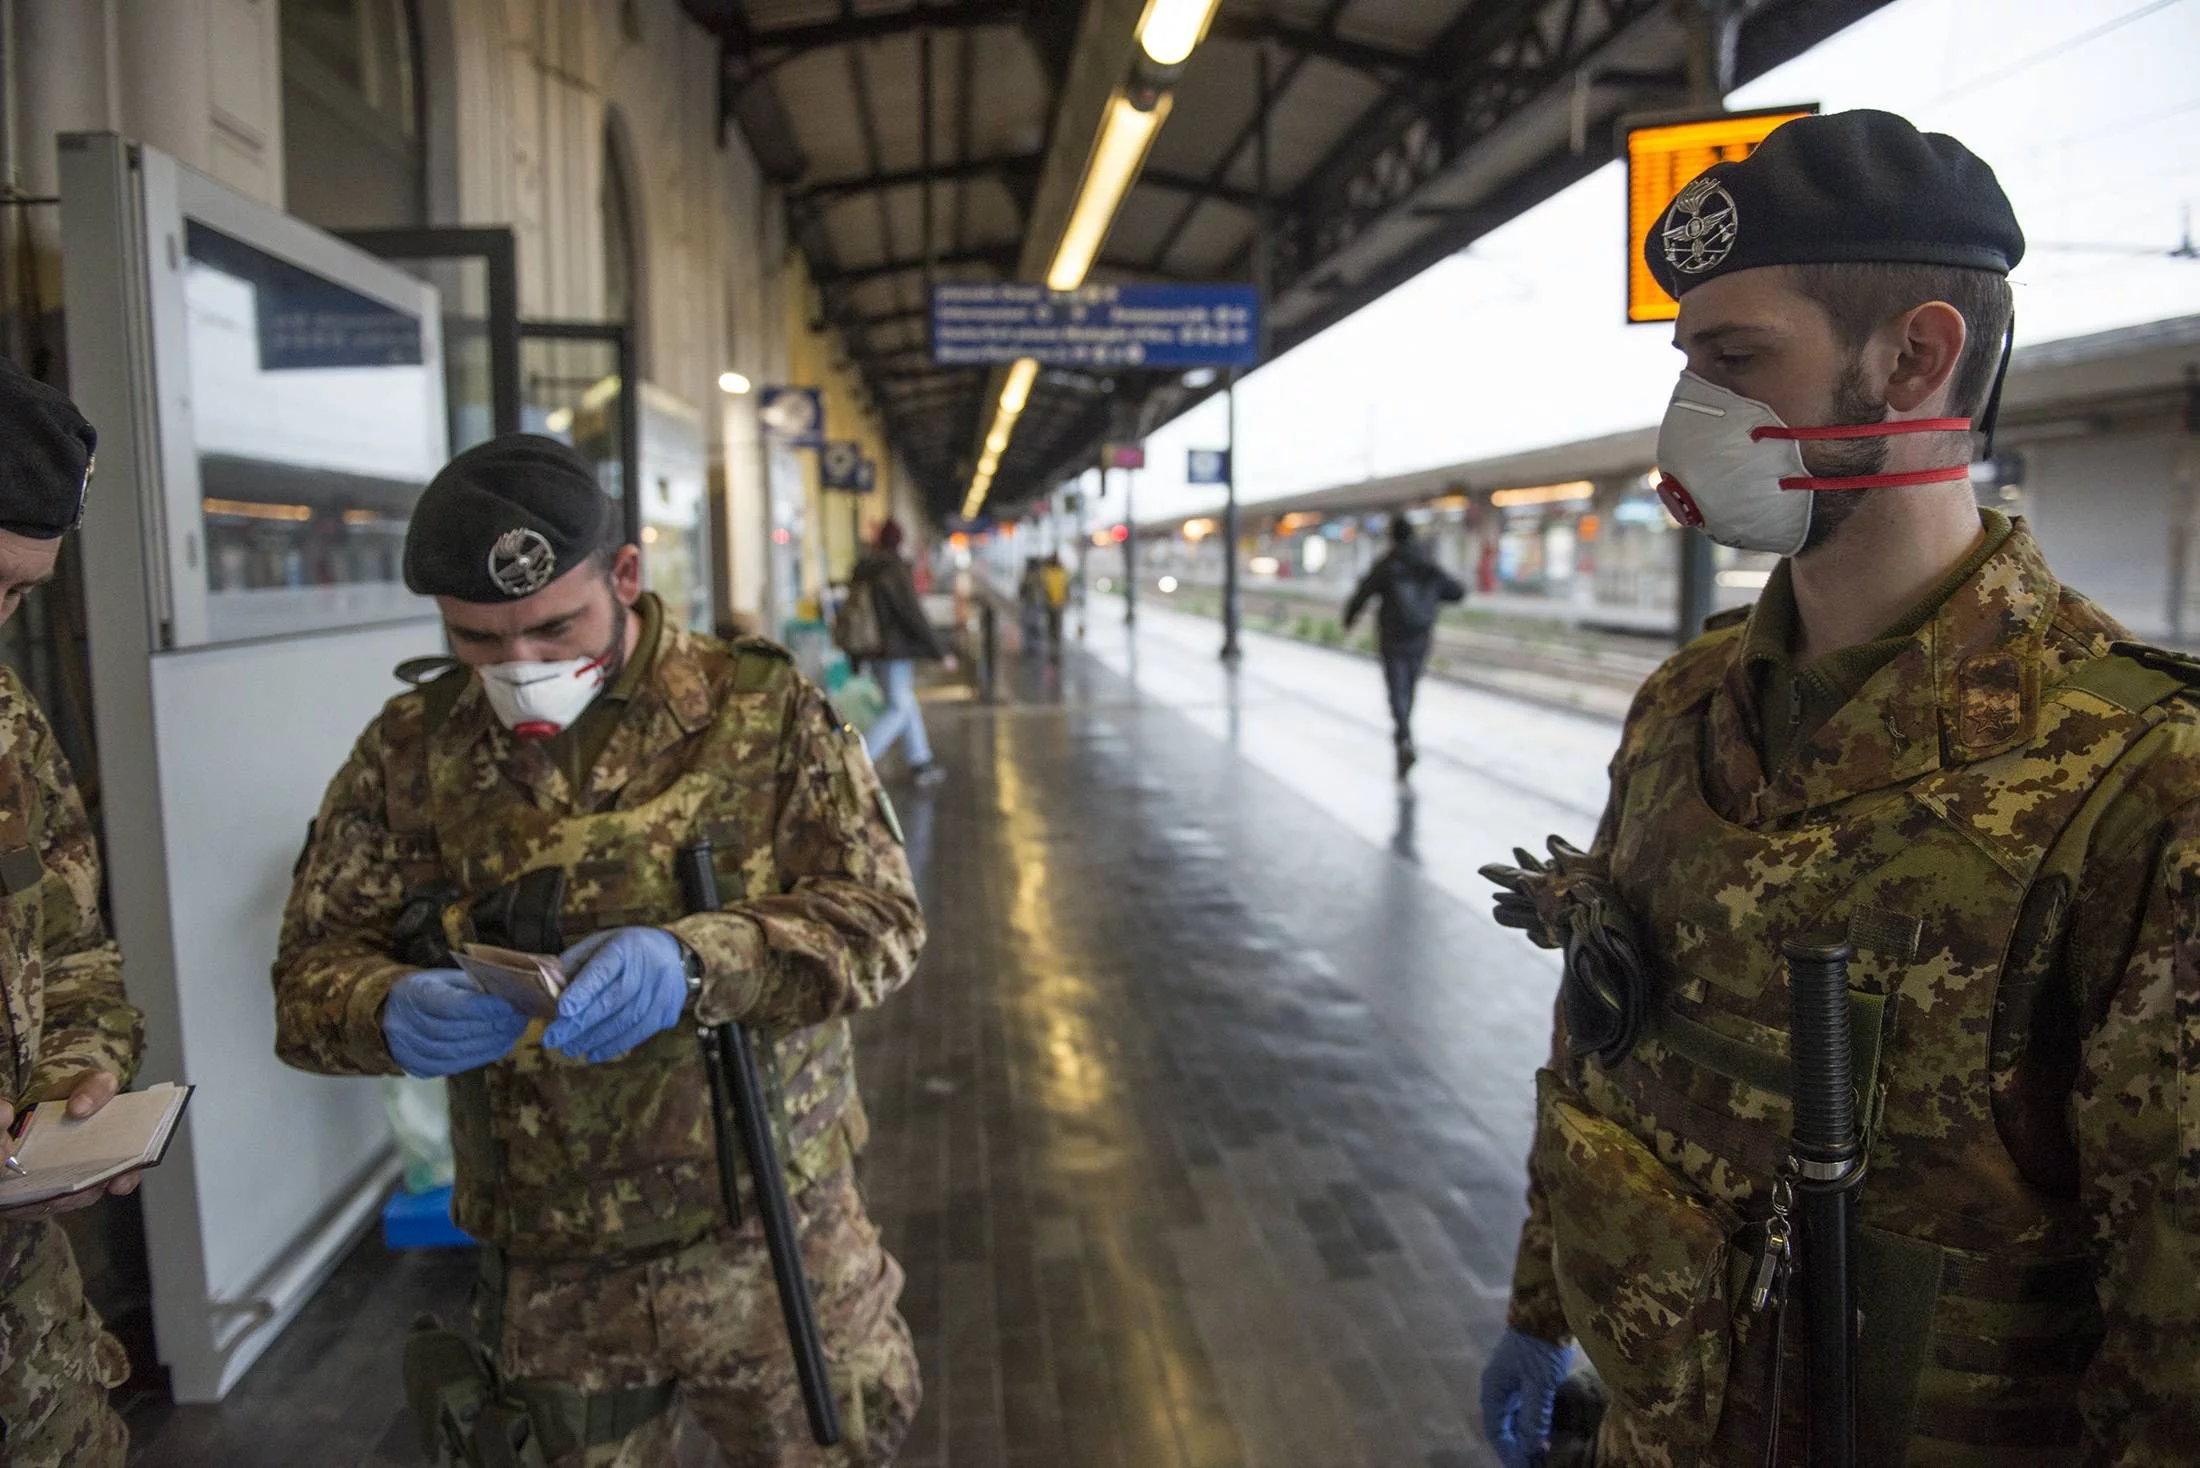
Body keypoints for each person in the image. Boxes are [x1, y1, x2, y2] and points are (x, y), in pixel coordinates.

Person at [1478, 111, 2200, 1466]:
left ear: (1918, 357)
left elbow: (2175, 1349)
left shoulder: (2144, 788)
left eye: (1739, 361)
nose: (1692, 417)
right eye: (1691, 364)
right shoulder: (1684, 706)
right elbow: (1601, 1035)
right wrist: (1541, 1305)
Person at [272, 435, 923, 1466]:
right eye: (478, 641)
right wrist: (384, 1007)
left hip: (770, 1238)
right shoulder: (409, 752)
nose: (520, 666)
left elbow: (883, 919)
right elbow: (309, 978)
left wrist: (704, 961)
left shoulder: (758, 712)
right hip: (552, 1273)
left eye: (553, 626)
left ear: (625, 575)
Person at [0, 359, 147, 1467]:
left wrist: (78, 1081)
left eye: (13, 594)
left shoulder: (7, 723)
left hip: (31, 1354)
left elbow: (74, 949)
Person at [1342, 513, 1465, 778]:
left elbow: (1363, 592)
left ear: (1392, 536)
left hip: (1393, 636)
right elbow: (1456, 592)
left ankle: (1403, 737)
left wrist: (1349, 619)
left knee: (1396, 690)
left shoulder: (1388, 563)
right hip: (1420, 637)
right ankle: (1405, 734)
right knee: (1409, 688)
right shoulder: (1427, 563)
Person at [851, 520, 949, 787]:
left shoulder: (866, 567)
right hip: (893, 650)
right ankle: (856, 762)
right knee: (898, 708)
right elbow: (911, 614)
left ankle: (921, 760)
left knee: (906, 703)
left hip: (872, 647)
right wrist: (939, 651)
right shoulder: (893, 569)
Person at [1041, 552, 1070, 658]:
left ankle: (1055, 646)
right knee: (1053, 625)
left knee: (1055, 625)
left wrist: (1066, 599)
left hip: (1057, 603)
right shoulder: (1048, 571)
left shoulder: (1054, 572)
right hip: (1052, 603)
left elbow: (1066, 587)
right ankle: (1053, 645)